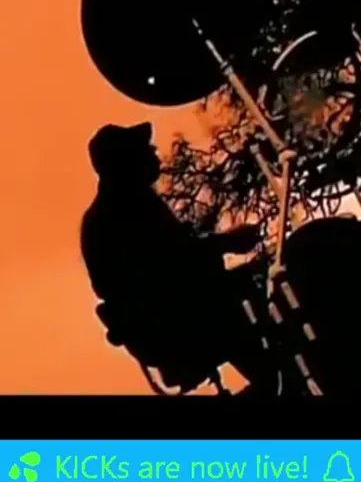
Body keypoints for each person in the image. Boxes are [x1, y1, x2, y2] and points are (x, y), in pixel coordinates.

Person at [80, 122, 279, 394]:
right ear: (126, 162)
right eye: (144, 149)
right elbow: (172, 265)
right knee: (265, 284)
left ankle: (273, 378)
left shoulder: (119, 209)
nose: (153, 151)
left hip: (177, 318)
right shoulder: (121, 214)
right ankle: (276, 379)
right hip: (180, 323)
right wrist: (227, 243)